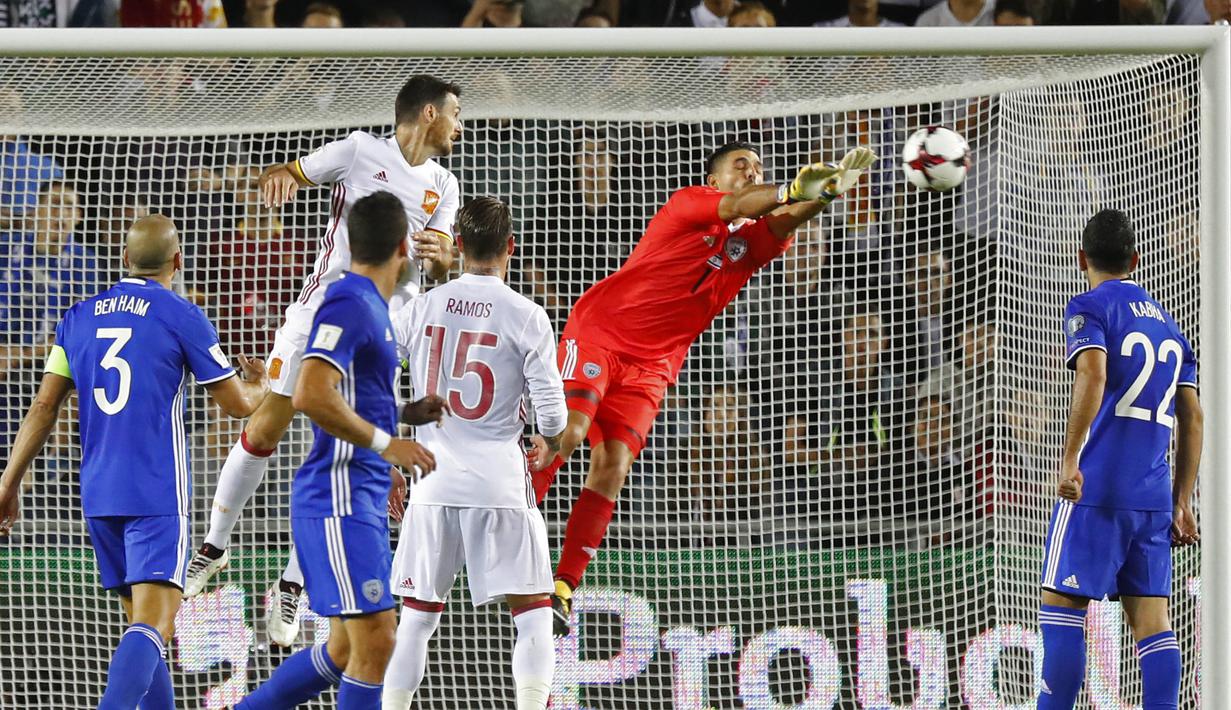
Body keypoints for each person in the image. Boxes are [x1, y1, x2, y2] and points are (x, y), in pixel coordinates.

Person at [528, 141, 877, 634]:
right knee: (570, 432)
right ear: (714, 180)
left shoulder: (747, 245)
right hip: (600, 334)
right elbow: (745, 204)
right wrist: (792, 189)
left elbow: (783, 220)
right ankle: (509, 515)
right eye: (741, 166)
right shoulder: (688, 205)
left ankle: (563, 588)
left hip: (653, 367)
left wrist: (826, 194)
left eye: (758, 167)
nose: (751, 172)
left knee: (613, 467)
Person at [184, 74, 462, 648]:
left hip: (383, 332)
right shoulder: (361, 149)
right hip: (318, 313)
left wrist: (443, 259)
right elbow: (289, 172)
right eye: (457, 114)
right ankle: (213, 546)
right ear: (430, 113)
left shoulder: (444, 185)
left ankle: (289, 584)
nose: (462, 127)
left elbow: (435, 273)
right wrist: (279, 179)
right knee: (264, 428)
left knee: (337, 451)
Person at [0, 214, 269, 708]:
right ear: (178, 261)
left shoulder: (78, 317)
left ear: (124, 259)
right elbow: (238, 405)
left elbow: (43, 408)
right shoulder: (180, 313)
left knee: (143, 626)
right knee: (156, 622)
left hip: (99, 494)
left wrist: (8, 482)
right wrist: (262, 384)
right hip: (156, 490)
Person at [233, 191, 439, 709]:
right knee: (378, 642)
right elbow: (310, 392)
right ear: (404, 246)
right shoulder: (352, 302)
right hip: (339, 498)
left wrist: (404, 414)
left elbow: (350, 395)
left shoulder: (371, 305)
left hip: (356, 497)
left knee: (348, 649)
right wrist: (389, 442)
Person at [382, 196, 566, 710]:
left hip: (430, 481)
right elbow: (553, 417)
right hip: (500, 485)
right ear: (510, 247)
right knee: (532, 614)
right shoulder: (527, 316)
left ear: (457, 246)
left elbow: (368, 380)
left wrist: (390, 457)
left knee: (417, 617)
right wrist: (548, 441)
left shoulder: (420, 307)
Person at [1037, 209, 1202, 709]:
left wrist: (1070, 460)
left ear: (1080, 256)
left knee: (1062, 609)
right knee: (1152, 623)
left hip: (1097, 490)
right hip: (1151, 498)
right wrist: (1182, 500)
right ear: (1135, 259)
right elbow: (1192, 418)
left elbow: (1093, 374)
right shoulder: (1171, 329)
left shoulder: (1089, 305)